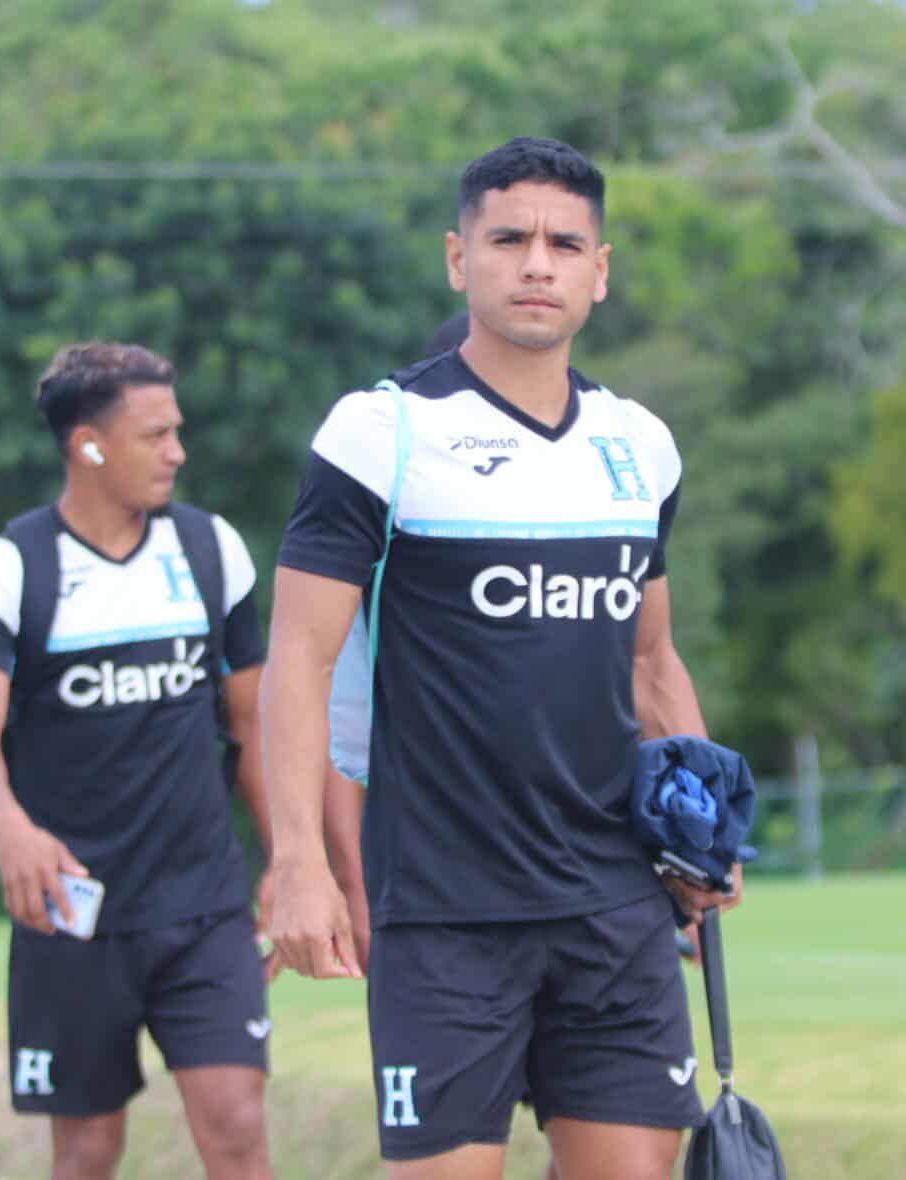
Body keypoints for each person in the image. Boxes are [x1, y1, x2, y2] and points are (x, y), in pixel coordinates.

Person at [261, 137, 741, 1180]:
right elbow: (296, 658)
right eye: (509, 238)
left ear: (599, 271)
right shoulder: (379, 433)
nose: (537, 264)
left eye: (565, 243)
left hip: (615, 906)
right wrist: (297, 861)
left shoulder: (640, 446)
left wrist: (704, 830)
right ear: (456, 257)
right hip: (443, 911)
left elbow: (652, 664)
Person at [0, 342, 274, 1180]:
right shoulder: (5, 570)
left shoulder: (211, 550)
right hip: (74, 912)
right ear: (89, 443)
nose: (178, 452)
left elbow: (256, 723)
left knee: (235, 1123)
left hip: (202, 903)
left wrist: (288, 853)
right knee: (89, 1148)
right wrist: (10, 828)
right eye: (156, 435)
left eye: (178, 431)